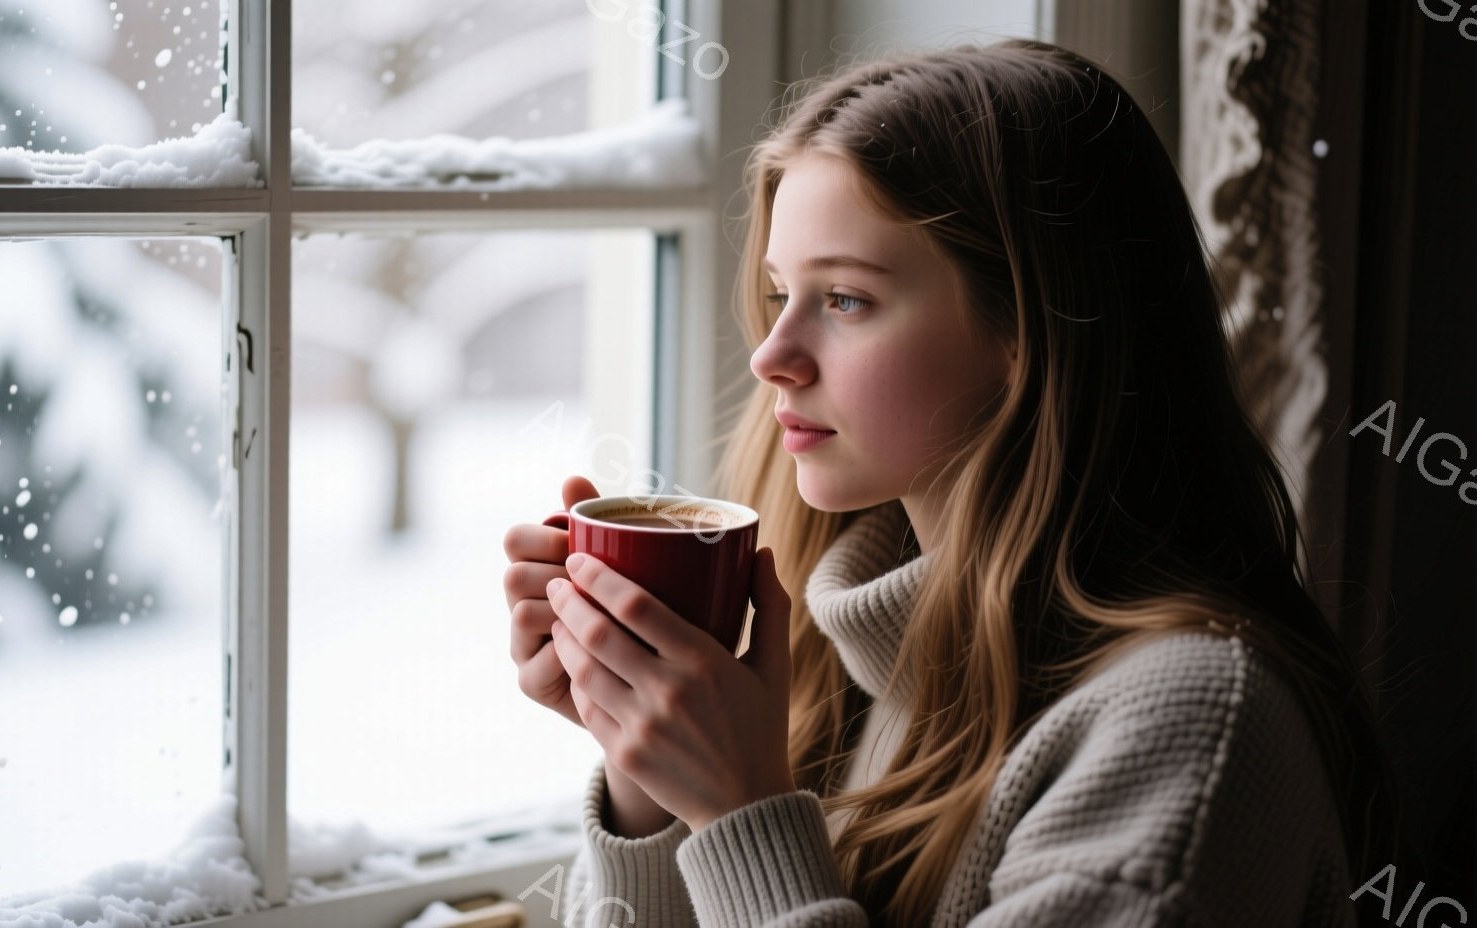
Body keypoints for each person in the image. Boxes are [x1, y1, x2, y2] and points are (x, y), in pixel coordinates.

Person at [501, 39, 1397, 927]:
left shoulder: (1191, 731)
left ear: (1031, 332)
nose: (771, 356)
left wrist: (740, 819)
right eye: (781, 294)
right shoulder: (824, 663)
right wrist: (650, 770)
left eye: (846, 299)